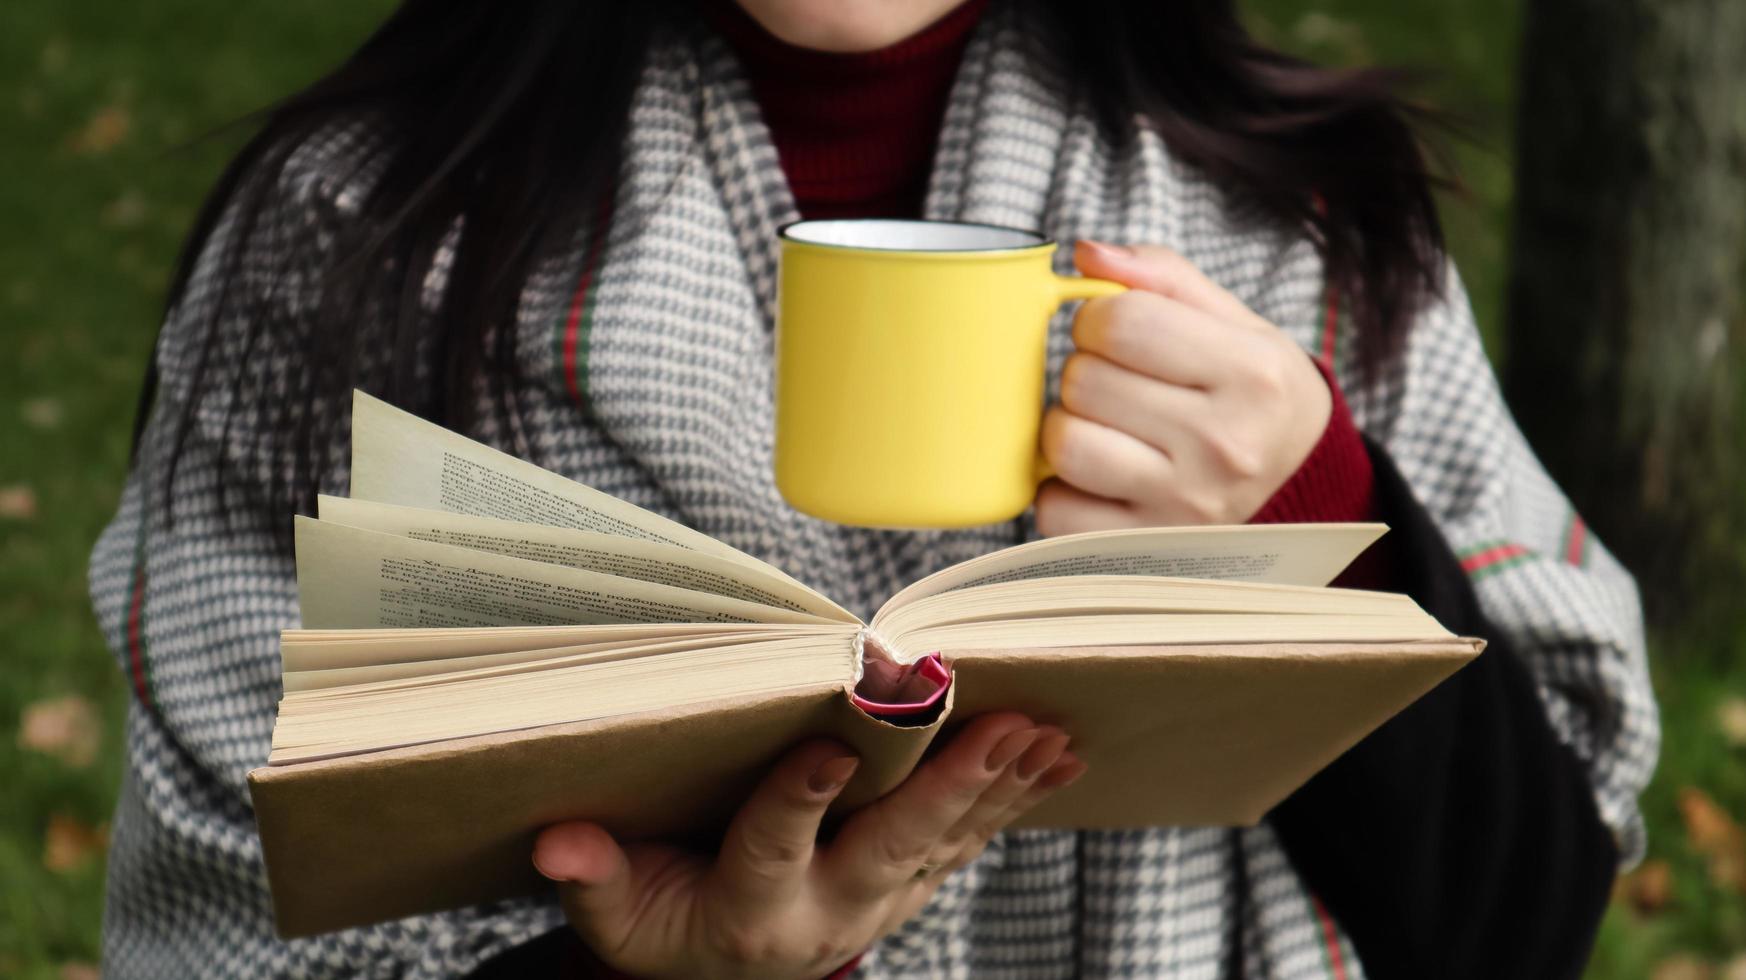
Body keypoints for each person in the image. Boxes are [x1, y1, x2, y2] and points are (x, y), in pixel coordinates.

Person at [89, 0, 1659, 977]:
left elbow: (1515, 925)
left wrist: (1322, 501)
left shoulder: (1298, 226)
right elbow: (262, 915)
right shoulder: (355, 237)